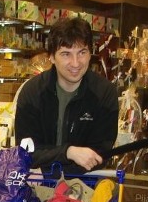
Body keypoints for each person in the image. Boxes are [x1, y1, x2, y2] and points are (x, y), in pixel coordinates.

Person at [14, 17, 119, 174]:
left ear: (91, 53)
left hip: (85, 189)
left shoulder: (104, 93)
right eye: (66, 54)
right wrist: (68, 152)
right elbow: (25, 152)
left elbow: (98, 155)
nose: (76, 63)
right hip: (37, 187)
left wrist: (52, 159)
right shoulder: (32, 92)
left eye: (82, 52)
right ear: (51, 57)